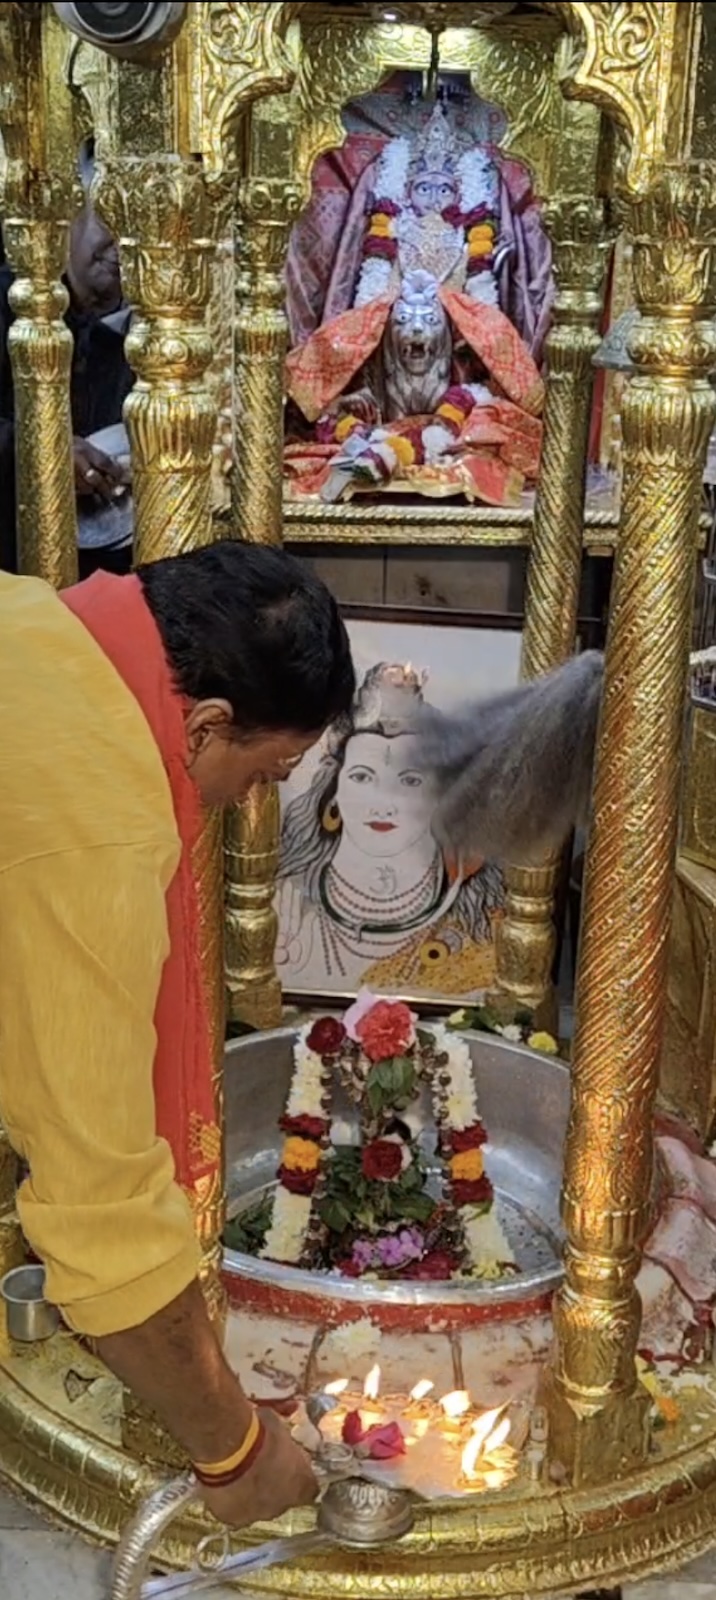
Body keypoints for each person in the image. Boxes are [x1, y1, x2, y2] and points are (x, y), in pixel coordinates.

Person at [0, 539, 355, 1527]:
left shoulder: (34, 621)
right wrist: (234, 1448)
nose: (247, 802)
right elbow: (98, 1212)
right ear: (204, 724)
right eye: (262, 771)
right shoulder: (97, 824)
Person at [276, 662, 504, 995]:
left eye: (410, 780)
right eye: (362, 777)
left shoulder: (479, 926)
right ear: (333, 788)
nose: (383, 803)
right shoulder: (284, 907)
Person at [0, 139, 133, 574]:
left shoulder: (125, 345)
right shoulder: (13, 304)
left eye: (137, 233)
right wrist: (47, 451)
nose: (122, 246)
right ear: (70, 214)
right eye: (110, 221)